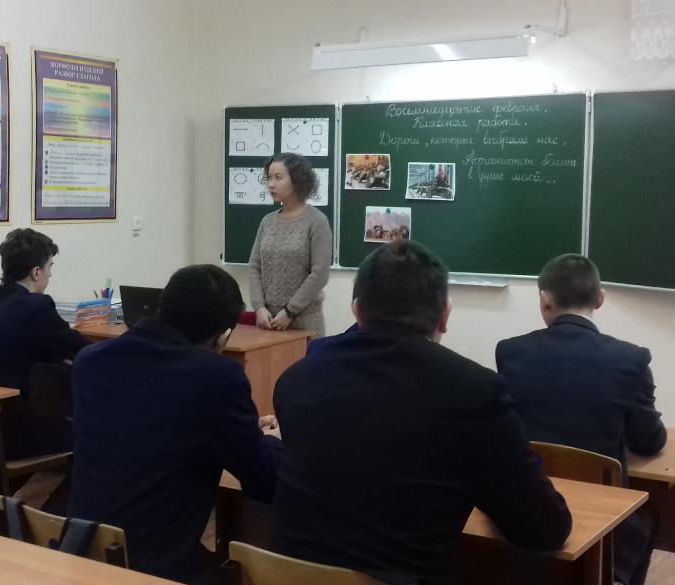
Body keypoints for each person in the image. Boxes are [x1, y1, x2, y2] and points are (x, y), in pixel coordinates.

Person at [273, 241, 571, 585]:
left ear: (356, 311)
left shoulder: (296, 380)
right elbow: (545, 529)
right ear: (445, 315)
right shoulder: (474, 392)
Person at [69, 264, 282, 583]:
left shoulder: (91, 361)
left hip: (81, 552)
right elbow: (262, 478)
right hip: (153, 568)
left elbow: (156, 424)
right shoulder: (216, 378)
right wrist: (271, 439)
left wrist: (240, 426)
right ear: (223, 337)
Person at [496, 253, 665, 585]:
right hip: (604, 512)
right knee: (650, 516)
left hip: (530, 502)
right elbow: (649, 442)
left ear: (545, 300)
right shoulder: (630, 359)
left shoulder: (510, 352)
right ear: (599, 299)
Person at [0, 228, 89, 459]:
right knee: (89, 432)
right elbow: (81, 349)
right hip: (5, 433)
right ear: (36, 272)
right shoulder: (35, 307)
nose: (50, 274)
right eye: (49, 267)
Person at [248, 152, 331, 337]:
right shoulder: (267, 221)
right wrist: (259, 307)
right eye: (269, 177)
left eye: (278, 178)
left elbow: (319, 274)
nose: (271, 184)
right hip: (268, 322)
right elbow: (254, 267)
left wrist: (289, 311)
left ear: (296, 180)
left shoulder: (317, 221)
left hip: (304, 322)